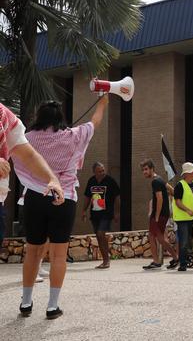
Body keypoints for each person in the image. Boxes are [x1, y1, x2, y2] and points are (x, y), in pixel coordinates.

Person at [14, 97, 103, 320]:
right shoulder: (73, 136)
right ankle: (53, 306)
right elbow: (95, 121)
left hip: (34, 196)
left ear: (39, 117)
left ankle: (26, 303)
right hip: (64, 198)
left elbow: (13, 148)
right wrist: (103, 102)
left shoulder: (27, 139)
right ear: (60, 118)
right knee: (58, 254)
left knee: (33, 252)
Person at [140, 159, 179, 270]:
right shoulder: (160, 179)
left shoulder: (155, 181)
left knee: (160, 238)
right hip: (163, 213)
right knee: (152, 236)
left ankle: (175, 258)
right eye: (143, 170)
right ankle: (157, 261)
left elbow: (160, 199)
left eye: (146, 169)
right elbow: (171, 189)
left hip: (159, 214)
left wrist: (156, 216)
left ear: (152, 169)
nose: (144, 172)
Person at [82, 162, 120, 269]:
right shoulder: (91, 181)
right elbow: (87, 197)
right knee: (99, 237)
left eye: (103, 170)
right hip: (95, 214)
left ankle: (107, 261)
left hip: (107, 213)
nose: (102, 172)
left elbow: (117, 197)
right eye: (99, 171)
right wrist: (84, 210)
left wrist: (117, 213)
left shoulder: (110, 181)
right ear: (94, 172)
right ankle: (104, 260)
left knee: (100, 233)